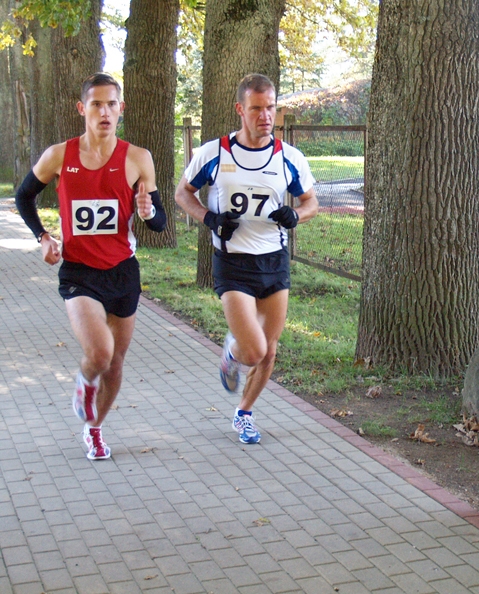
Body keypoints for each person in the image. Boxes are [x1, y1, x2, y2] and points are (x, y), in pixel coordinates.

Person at [15, 72, 167, 460]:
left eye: (111, 104)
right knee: (100, 353)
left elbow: (159, 220)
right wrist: (44, 237)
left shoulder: (137, 158)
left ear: (121, 109)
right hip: (79, 271)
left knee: (115, 363)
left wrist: (149, 213)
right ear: (82, 109)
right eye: (96, 104)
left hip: (122, 271)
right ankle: (84, 381)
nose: (104, 111)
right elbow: (23, 196)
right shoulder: (59, 155)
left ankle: (94, 428)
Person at [175, 73, 318, 445]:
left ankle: (244, 414)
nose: (265, 116)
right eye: (257, 108)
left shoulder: (289, 158)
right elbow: (183, 193)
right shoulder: (214, 153)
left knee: (269, 351)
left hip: (274, 260)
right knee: (252, 350)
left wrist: (296, 215)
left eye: (271, 107)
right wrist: (208, 217)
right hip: (233, 261)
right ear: (241, 109)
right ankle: (232, 352)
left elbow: (310, 202)